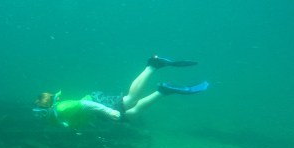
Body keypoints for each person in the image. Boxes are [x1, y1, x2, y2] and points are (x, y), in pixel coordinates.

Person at [33, 55, 209, 128]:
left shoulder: (62, 108)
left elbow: (85, 104)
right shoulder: (54, 117)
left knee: (130, 100)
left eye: (40, 111)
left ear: (50, 106)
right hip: (96, 113)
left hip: (97, 103)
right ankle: (163, 91)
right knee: (130, 116)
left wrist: (108, 111)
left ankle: (153, 65)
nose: (38, 115)